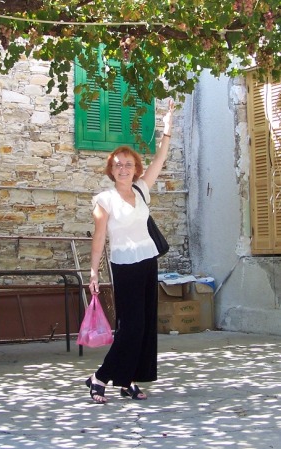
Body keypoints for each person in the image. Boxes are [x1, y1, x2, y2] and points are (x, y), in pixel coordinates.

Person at [86, 100, 175, 404]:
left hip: (148, 262)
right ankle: (99, 378)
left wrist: (167, 129)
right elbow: (99, 239)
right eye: (117, 164)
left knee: (146, 326)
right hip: (124, 266)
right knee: (131, 327)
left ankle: (128, 381)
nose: (123, 168)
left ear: (136, 168)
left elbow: (160, 160)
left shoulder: (141, 190)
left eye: (128, 164)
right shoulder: (104, 200)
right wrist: (93, 271)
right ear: (111, 170)